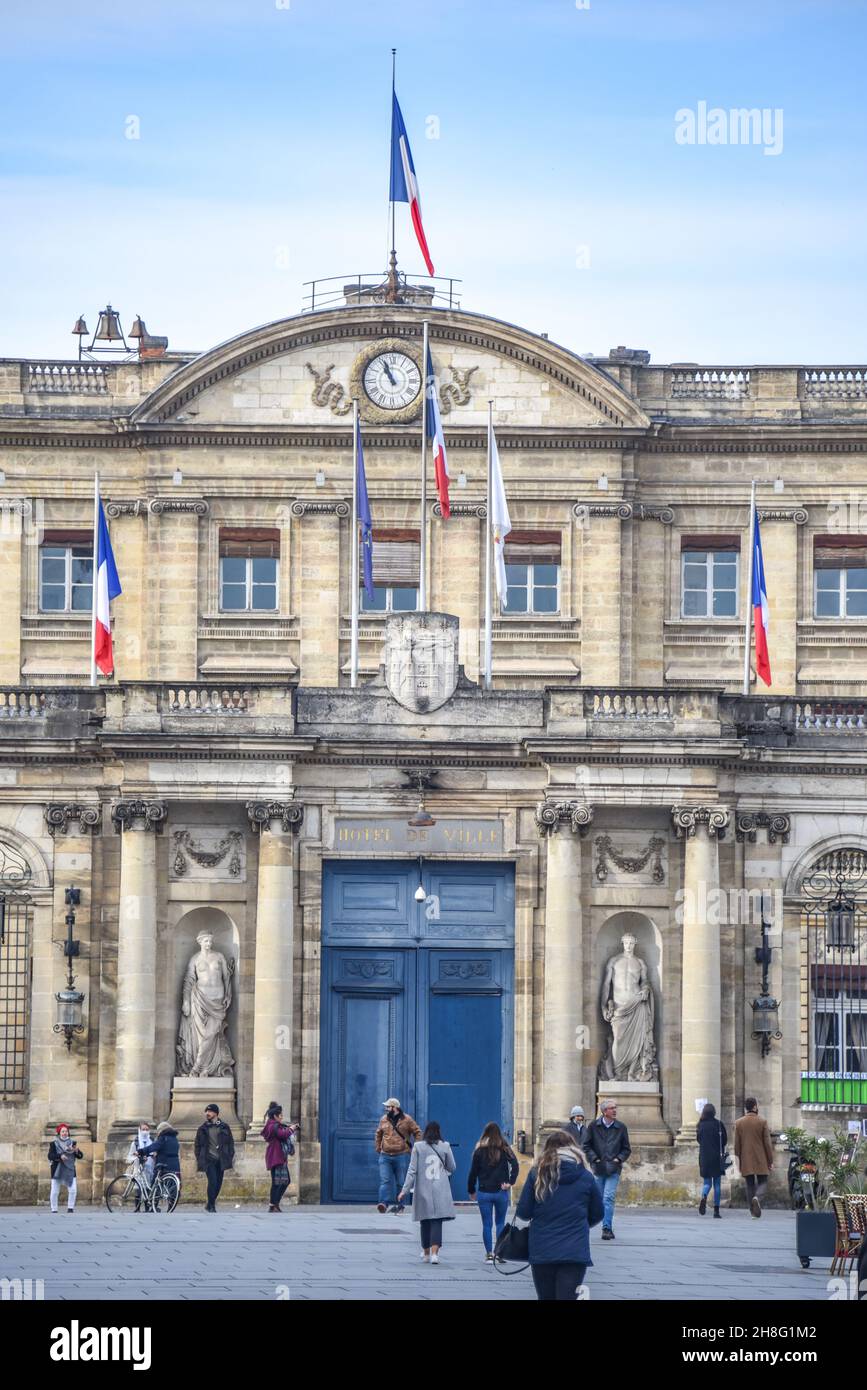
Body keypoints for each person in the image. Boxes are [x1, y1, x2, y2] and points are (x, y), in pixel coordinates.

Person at [515, 1129, 604, 1301]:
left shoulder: (536, 1174)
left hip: (542, 1250)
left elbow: (524, 1213)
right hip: (574, 1250)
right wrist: (580, 1223)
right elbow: (598, 1212)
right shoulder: (586, 1176)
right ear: (573, 1149)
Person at [398, 1120, 456, 1263]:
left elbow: (412, 1170)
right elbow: (452, 1167)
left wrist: (404, 1190)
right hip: (440, 1188)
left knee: (425, 1221)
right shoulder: (445, 1146)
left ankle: (426, 1254)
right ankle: (435, 1254)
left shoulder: (418, 1147)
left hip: (423, 1188)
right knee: (437, 1221)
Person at [467, 1122, 519, 1262]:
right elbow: (515, 1164)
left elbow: (473, 1173)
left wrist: (471, 1189)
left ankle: (489, 1254)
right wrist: (510, 1182)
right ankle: (500, 1253)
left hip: (484, 1192)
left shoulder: (479, 1151)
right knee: (500, 1223)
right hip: (501, 1191)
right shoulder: (504, 1148)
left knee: (487, 1224)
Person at [582, 1099, 631, 1240]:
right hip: (598, 1168)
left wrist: (618, 1159)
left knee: (608, 1198)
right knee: (597, 1199)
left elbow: (626, 1149)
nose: (615, 1110)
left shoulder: (621, 1127)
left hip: (613, 1169)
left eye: (615, 1107)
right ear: (604, 1112)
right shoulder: (593, 1126)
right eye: (611, 1108)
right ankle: (586, 1225)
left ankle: (606, 1228)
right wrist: (595, 1158)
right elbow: (585, 1145)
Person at [374, 1097, 421, 1213]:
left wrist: (416, 1147)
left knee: (401, 1182)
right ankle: (383, 1204)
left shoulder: (407, 1119)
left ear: (395, 1108)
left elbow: (417, 1132)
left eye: (388, 1107)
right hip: (385, 1156)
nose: (386, 1109)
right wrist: (378, 1147)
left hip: (401, 1155)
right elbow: (378, 1133)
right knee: (385, 1180)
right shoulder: (383, 1119)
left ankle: (401, 1205)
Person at [734, 1097, 774, 1217]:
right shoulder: (762, 1122)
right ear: (755, 1107)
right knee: (763, 1181)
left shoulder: (738, 1122)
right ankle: (757, 1198)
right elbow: (767, 1143)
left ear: (746, 1108)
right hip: (761, 1157)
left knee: (749, 1184)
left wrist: (738, 1161)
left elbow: (737, 1145)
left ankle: (752, 1211)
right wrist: (770, 1160)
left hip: (745, 1158)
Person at [194, 1103, 235, 1212]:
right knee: (212, 1182)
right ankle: (212, 1206)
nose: (207, 1113)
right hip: (209, 1159)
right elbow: (197, 1145)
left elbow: (230, 1143)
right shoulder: (202, 1128)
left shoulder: (224, 1127)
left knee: (218, 1183)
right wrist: (199, 1157)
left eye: (210, 1111)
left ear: (216, 1113)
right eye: (206, 1111)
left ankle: (209, 1203)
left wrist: (230, 1155)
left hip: (221, 1160)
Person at [261, 1101, 298, 1212]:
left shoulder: (272, 1125)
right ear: (275, 1116)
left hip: (277, 1157)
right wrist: (291, 1129)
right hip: (277, 1157)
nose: (282, 1117)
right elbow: (283, 1134)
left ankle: (274, 1205)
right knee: (281, 1182)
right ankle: (273, 1205)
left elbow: (282, 1132)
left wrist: (290, 1128)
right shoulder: (273, 1126)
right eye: (280, 1115)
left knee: (280, 1182)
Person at [696, 1102, 727, 1218]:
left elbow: (698, 1140)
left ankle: (704, 1196)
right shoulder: (719, 1124)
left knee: (707, 1183)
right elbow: (724, 1140)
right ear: (714, 1112)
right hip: (717, 1158)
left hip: (704, 1157)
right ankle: (716, 1211)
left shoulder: (700, 1125)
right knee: (717, 1184)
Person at [48, 1123, 83, 1214]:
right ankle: (54, 1209)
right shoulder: (53, 1144)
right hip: (57, 1169)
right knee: (55, 1191)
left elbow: (80, 1156)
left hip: (69, 1169)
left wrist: (76, 1151)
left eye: (66, 1131)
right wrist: (60, 1156)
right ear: (59, 1133)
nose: (64, 1133)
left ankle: (70, 1208)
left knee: (73, 1190)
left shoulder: (72, 1143)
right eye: (63, 1131)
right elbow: (50, 1156)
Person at [139, 1121, 181, 1186]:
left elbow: (152, 1147)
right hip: (175, 1165)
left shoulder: (163, 1138)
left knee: (156, 1184)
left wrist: (141, 1151)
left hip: (164, 1164)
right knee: (172, 1184)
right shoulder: (174, 1138)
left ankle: (155, 1195)